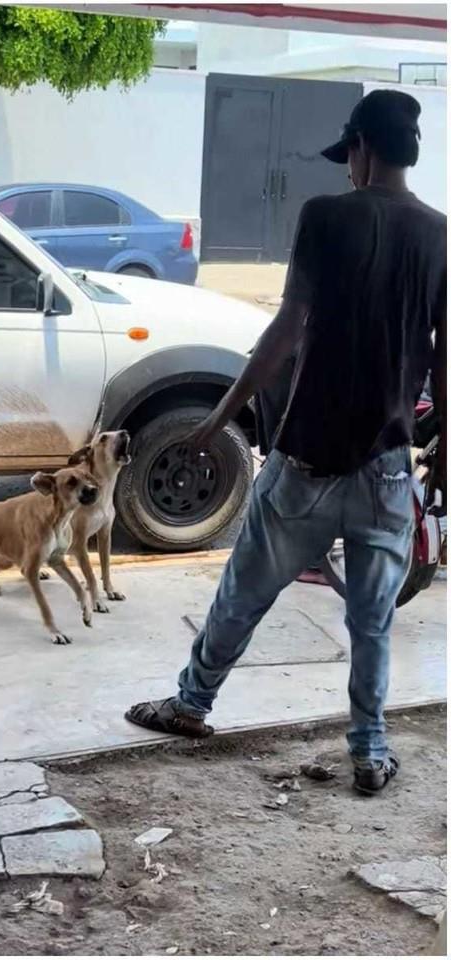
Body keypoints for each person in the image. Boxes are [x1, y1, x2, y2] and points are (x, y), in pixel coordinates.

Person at [125, 89, 445, 797]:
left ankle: (190, 704)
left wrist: (217, 421)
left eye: (349, 155)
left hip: (307, 464)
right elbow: (443, 350)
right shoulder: (438, 232)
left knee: (241, 594)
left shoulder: (325, 215)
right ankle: (368, 752)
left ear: (362, 147)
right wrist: (445, 445)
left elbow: (285, 332)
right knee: (372, 622)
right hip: (390, 472)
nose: (348, 169)